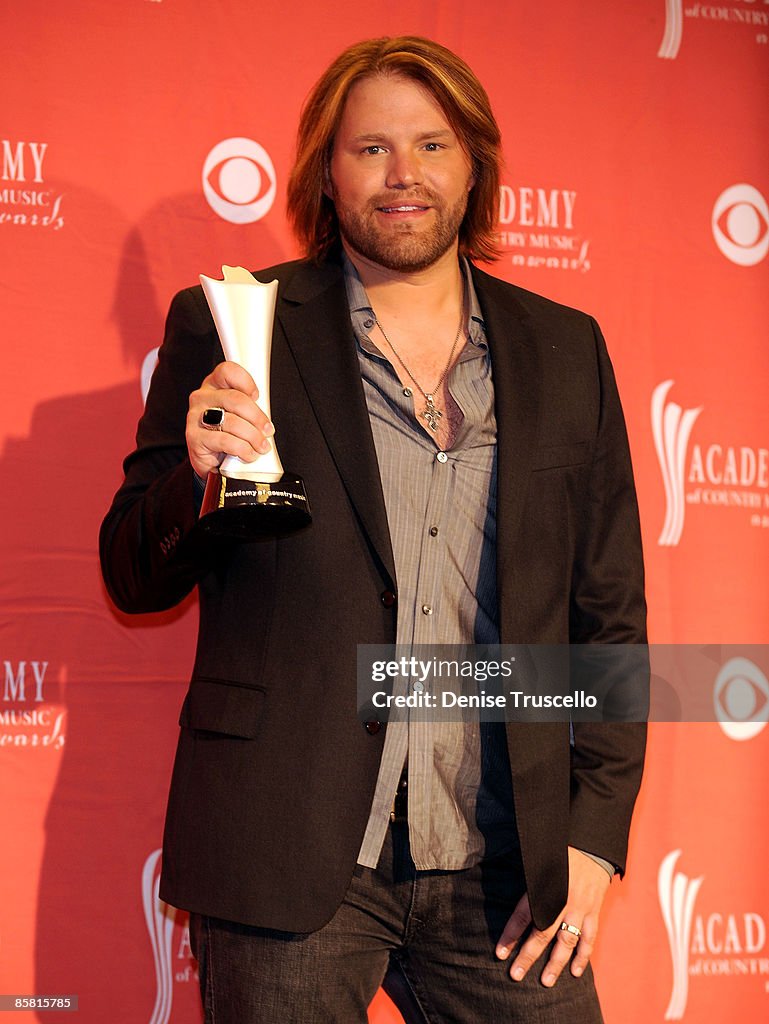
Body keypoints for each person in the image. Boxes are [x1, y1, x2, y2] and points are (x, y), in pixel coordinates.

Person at [100, 35, 647, 1024]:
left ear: (472, 165)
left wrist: (596, 833)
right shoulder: (236, 327)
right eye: (371, 150)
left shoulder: (567, 349)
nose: (405, 176)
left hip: (502, 861)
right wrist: (196, 477)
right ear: (325, 170)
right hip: (288, 853)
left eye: (432, 146)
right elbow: (133, 575)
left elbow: (607, 614)